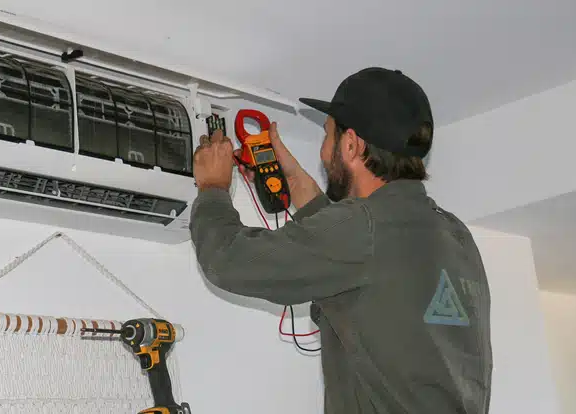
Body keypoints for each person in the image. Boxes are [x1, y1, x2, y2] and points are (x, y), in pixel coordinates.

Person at [189, 67, 492, 413]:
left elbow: (228, 260)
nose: (322, 151)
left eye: (326, 135)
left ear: (351, 144)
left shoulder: (362, 231)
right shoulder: (455, 235)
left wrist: (212, 188)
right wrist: (295, 180)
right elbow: (355, 260)